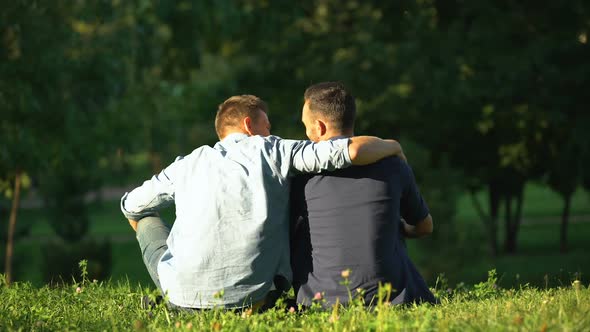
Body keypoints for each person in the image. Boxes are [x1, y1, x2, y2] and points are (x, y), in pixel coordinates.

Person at [121, 94, 405, 310]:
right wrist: (392, 146)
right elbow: (348, 151)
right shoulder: (273, 149)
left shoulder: (186, 164)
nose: (271, 132)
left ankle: (179, 287)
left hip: (181, 299)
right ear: (248, 125)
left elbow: (131, 204)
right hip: (256, 300)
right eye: (267, 126)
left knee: (144, 216)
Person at [290, 82, 437, 307]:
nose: (306, 133)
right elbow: (425, 226)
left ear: (319, 127)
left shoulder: (302, 174)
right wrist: (398, 228)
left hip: (320, 299)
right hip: (389, 296)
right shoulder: (393, 165)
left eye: (306, 126)